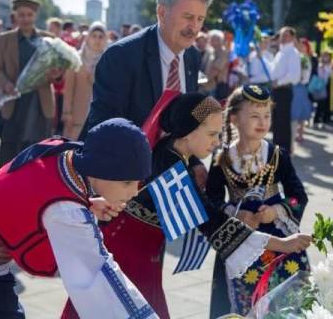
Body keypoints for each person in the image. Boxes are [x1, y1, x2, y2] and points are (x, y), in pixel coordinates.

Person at [61, 93, 312, 319]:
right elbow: (213, 221)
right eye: (212, 134)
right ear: (189, 130)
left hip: (137, 251)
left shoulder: (172, 154)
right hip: (130, 254)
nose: (216, 142)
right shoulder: (172, 168)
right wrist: (281, 244)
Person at [0, 118, 160, 319]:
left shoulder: (62, 152)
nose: (134, 191)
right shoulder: (66, 211)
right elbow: (96, 272)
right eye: (127, 181)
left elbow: (29, 193)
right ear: (103, 170)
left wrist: (88, 205)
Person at [79, 0, 213, 187]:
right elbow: (105, 127)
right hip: (121, 179)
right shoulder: (122, 56)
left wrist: (195, 160)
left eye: (200, 19)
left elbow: (185, 121)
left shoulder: (192, 57)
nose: (194, 27)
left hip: (171, 177)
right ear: (162, 12)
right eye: (187, 17)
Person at [206, 85, 309, 317]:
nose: (262, 122)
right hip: (238, 237)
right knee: (240, 298)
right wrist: (234, 214)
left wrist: (276, 210)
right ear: (234, 119)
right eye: (254, 116)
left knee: (282, 298)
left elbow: (298, 196)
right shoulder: (222, 158)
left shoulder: (277, 154)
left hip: (278, 237)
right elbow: (211, 199)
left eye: (266, 116)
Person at [0, 0, 61, 167]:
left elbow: (58, 71)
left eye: (30, 15)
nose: (26, 19)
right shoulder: (4, 39)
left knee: (38, 154)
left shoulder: (49, 39)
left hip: (39, 104)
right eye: (21, 15)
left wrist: (56, 73)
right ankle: (6, 191)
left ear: (36, 16)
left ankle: (35, 192)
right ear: (15, 16)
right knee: (11, 154)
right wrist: (5, 83)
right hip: (14, 103)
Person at [62, 22, 108, 140]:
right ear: (88, 38)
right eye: (94, 36)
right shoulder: (77, 59)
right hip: (77, 116)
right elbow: (69, 89)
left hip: (99, 115)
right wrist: (67, 112)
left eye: (100, 36)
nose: (97, 40)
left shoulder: (108, 60)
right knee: (74, 150)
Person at [269, 27, 301, 149]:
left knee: (283, 120)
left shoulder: (293, 53)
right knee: (277, 120)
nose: (283, 37)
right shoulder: (280, 53)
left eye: (286, 35)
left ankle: (284, 148)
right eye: (282, 35)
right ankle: (277, 146)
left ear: (293, 37)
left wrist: (280, 82)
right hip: (277, 89)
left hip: (284, 89)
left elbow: (294, 75)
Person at [291, 38, 313, 145]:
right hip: (295, 85)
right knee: (297, 111)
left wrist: (300, 78)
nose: (300, 47)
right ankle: (297, 133)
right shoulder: (297, 56)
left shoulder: (305, 59)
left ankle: (300, 133)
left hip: (300, 86)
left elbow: (306, 76)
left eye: (303, 45)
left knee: (300, 112)